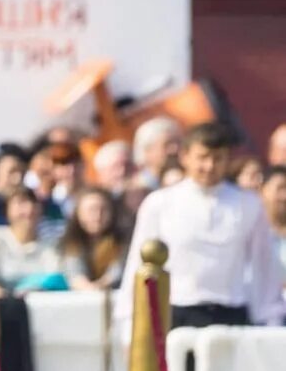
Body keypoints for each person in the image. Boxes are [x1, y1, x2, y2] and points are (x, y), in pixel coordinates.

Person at [120, 122, 282, 328]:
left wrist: (270, 318)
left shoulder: (248, 204)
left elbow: (264, 266)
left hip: (231, 312)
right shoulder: (160, 203)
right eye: (202, 157)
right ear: (185, 156)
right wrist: (128, 322)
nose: (210, 166)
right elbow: (139, 262)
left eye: (218, 158)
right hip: (178, 312)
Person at [0, 189, 66, 295]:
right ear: (7, 209)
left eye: (34, 203)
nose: (29, 210)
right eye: (21, 203)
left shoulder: (51, 246)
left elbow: (57, 282)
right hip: (2, 307)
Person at [59, 187, 128, 291]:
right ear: (78, 213)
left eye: (103, 209)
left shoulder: (124, 243)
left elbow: (117, 272)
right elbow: (74, 273)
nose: (98, 215)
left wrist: (100, 286)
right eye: (91, 210)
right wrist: (88, 288)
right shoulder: (69, 244)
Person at [132, 116, 183, 191]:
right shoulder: (137, 190)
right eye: (167, 144)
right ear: (147, 151)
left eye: (178, 142)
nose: (175, 149)